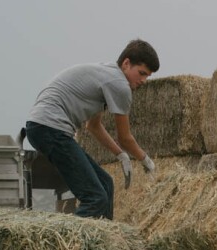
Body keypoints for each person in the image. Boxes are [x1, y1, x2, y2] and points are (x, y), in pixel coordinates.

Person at [25, 39, 159, 219]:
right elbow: (125, 137)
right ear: (126, 64)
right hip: (50, 128)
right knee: (95, 197)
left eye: (147, 76)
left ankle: (106, 242)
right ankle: (70, 245)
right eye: (141, 73)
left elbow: (93, 126)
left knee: (106, 184)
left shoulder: (107, 76)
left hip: (43, 127)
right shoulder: (119, 85)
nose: (143, 80)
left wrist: (120, 155)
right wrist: (146, 161)